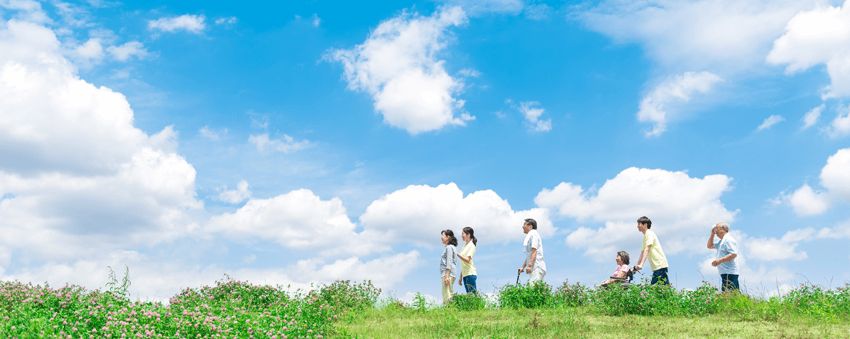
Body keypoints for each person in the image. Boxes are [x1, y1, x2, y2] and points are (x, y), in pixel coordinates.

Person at [633, 216, 670, 286]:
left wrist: (641, 265)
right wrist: (637, 265)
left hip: (660, 265)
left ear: (645, 224)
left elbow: (647, 249)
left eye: (639, 224)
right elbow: (642, 252)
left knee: (653, 288)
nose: (637, 226)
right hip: (657, 266)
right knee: (664, 288)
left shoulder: (649, 233)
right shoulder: (645, 236)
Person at [707, 222, 740, 292]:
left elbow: (733, 254)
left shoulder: (728, 240)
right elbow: (709, 246)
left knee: (730, 294)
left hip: (730, 272)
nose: (716, 231)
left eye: (717, 228)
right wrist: (712, 234)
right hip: (725, 272)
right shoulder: (722, 241)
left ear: (723, 229)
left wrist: (719, 261)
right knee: (730, 293)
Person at [518, 218, 546, 283]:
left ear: (530, 226)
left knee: (533, 288)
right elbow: (529, 254)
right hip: (534, 268)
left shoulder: (534, 234)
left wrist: (529, 265)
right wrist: (523, 267)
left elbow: (534, 251)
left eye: (524, 224)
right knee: (534, 288)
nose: (522, 226)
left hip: (537, 266)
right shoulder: (530, 235)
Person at [457, 226, 478, 294]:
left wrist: (457, 254)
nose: (462, 235)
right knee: (469, 296)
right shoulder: (464, 246)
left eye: (463, 233)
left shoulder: (471, 246)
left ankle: (479, 305)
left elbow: (468, 260)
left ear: (468, 235)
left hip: (470, 274)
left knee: (473, 296)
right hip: (465, 275)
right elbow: (464, 264)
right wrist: (460, 277)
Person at [440, 229, 459, 304]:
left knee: (446, 293)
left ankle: (448, 309)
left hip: (448, 273)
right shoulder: (453, 247)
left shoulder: (449, 247)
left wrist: (446, 276)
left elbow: (449, 261)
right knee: (449, 292)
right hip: (451, 273)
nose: (441, 237)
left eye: (443, 236)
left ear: (448, 237)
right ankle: (451, 308)